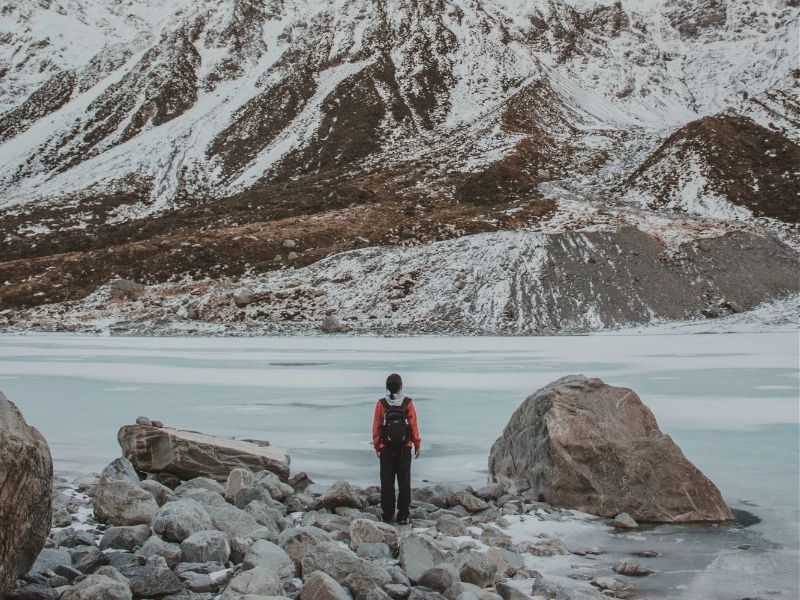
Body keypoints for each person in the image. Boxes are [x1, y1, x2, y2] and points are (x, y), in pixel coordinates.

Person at [372, 373, 421, 525]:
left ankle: (387, 515)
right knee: (404, 482)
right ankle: (403, 516)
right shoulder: (408, 403)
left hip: (386, 447)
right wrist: (417, 444)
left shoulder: (381, 403)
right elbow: (413, 426)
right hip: (404, 447)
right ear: (401, 386)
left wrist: (377, 445)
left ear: (387, 387)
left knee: (387, 482)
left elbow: (377, 426)